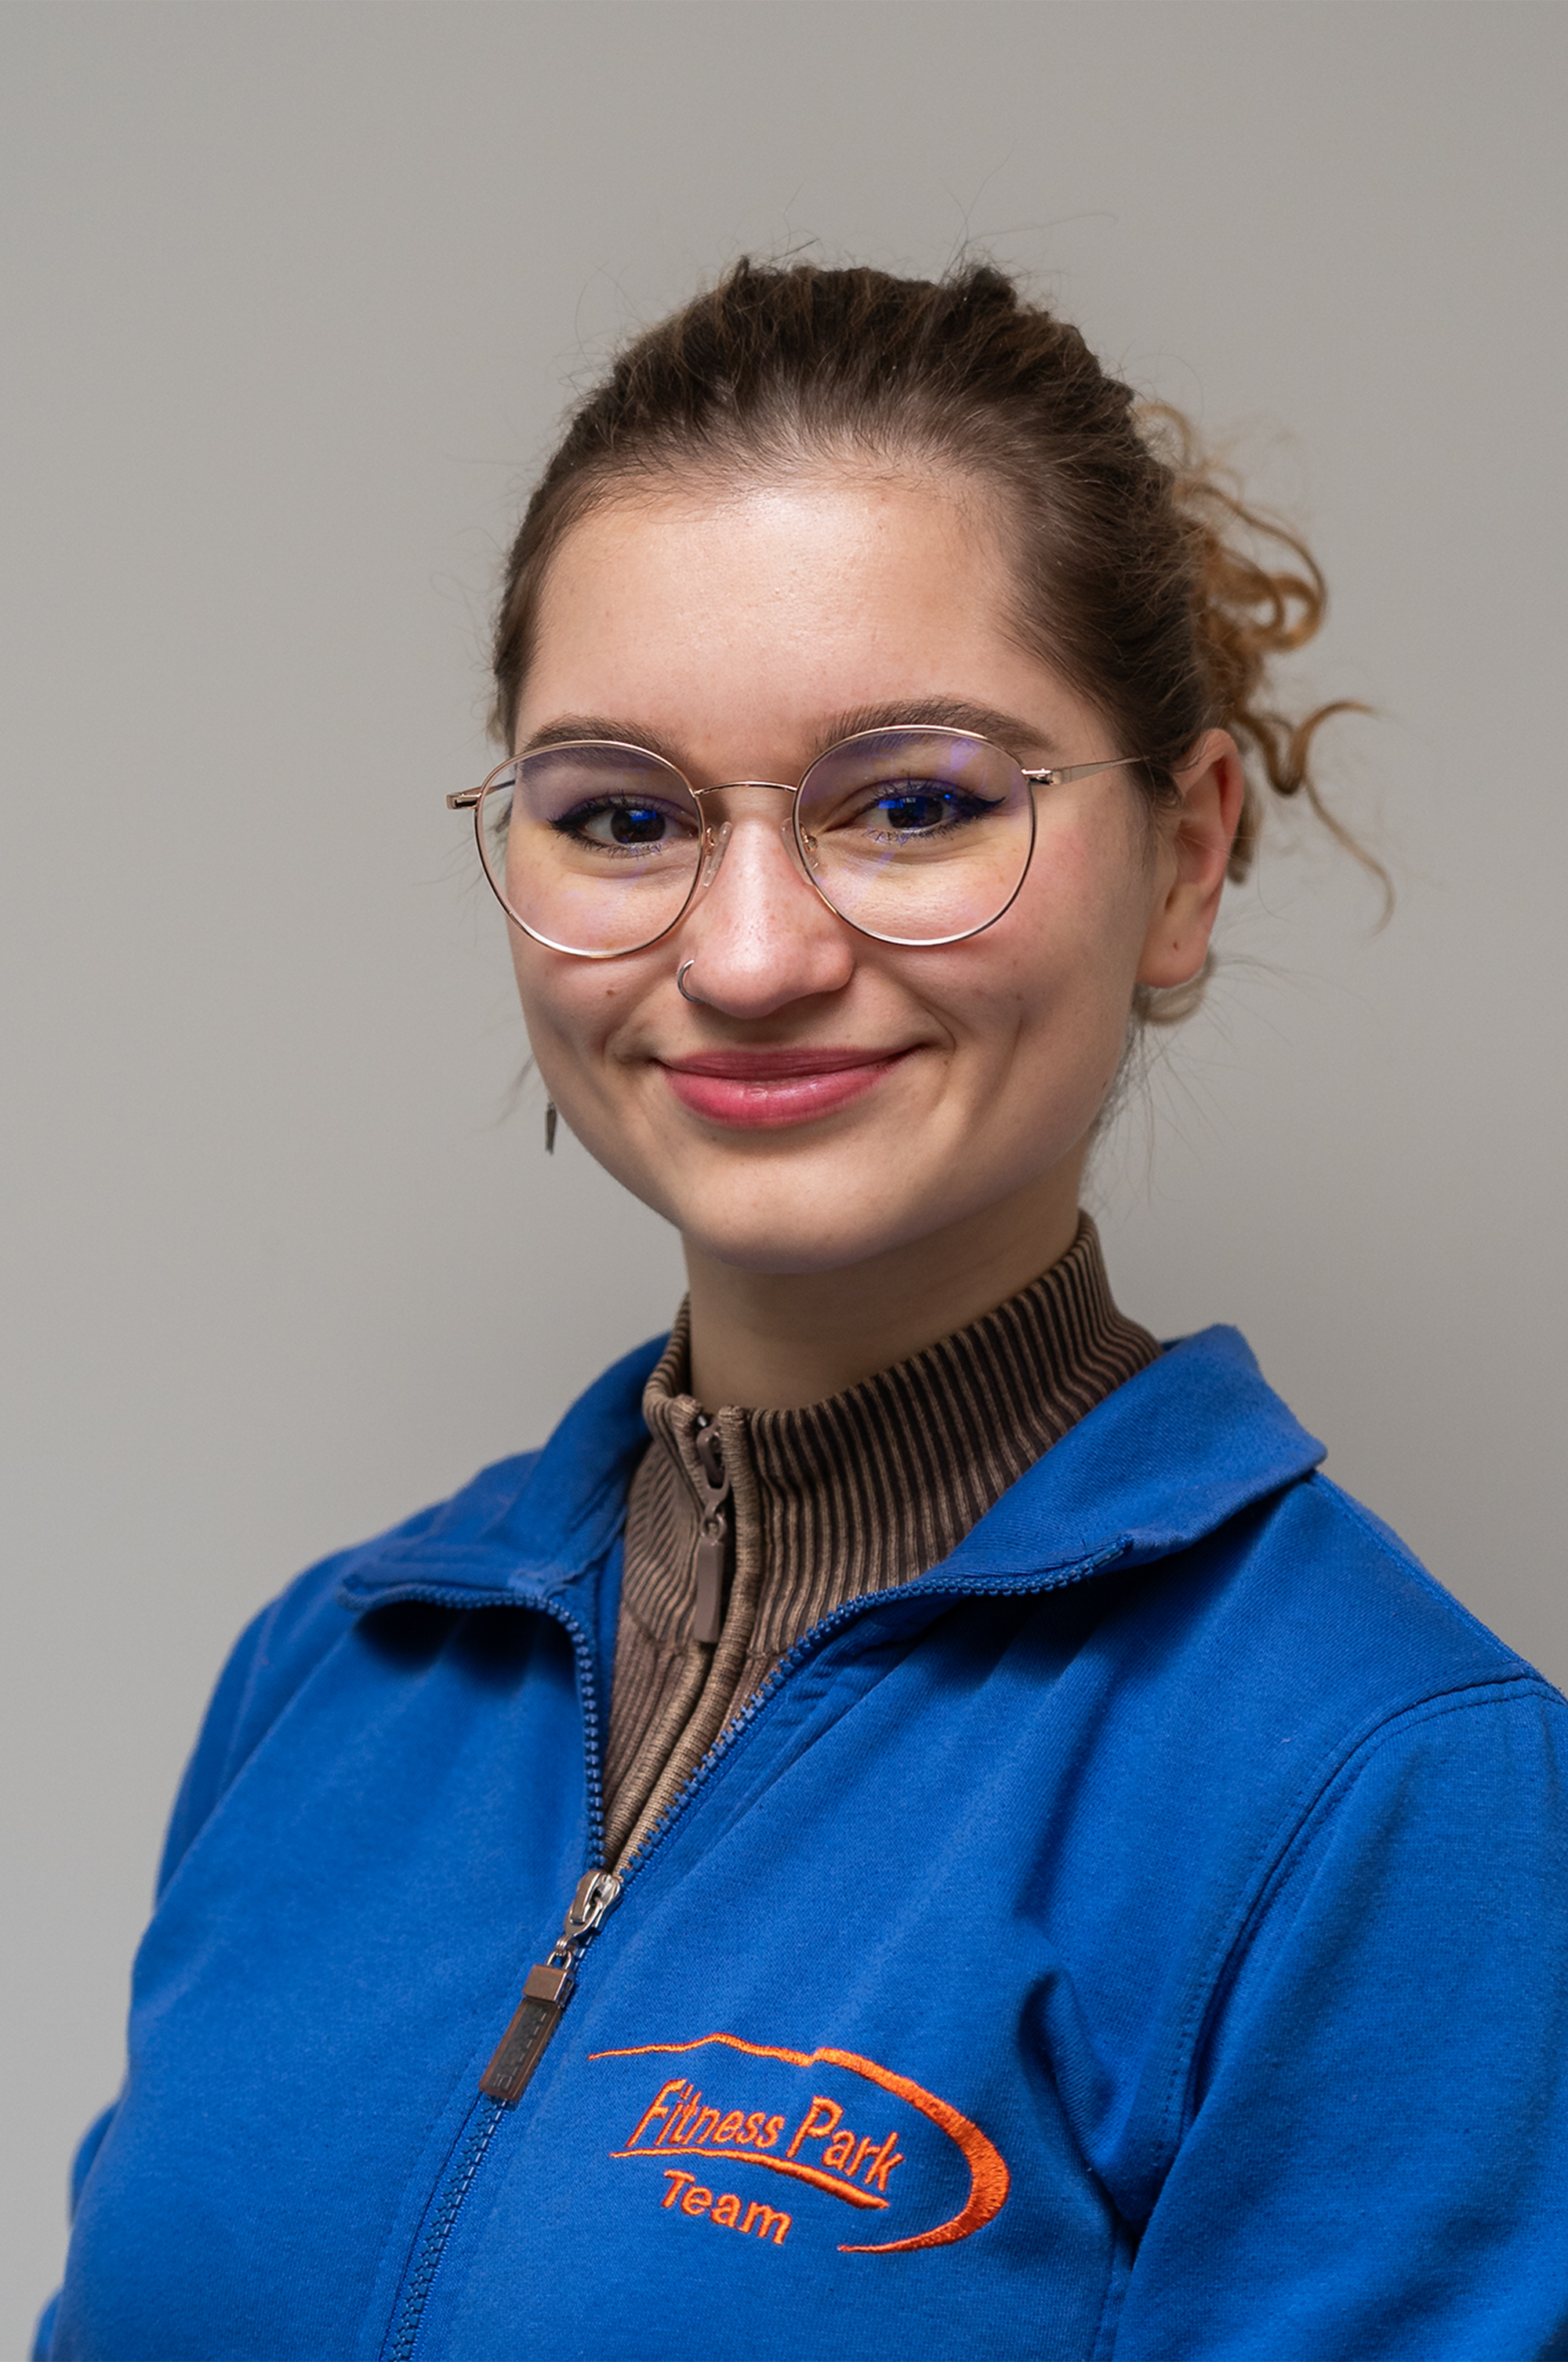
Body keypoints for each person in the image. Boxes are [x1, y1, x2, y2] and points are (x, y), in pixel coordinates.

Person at [38, 260, 1568, 2361]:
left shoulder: (1394, 1791)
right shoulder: (325, 1678)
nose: (749, 956)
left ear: (1188, 860)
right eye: (624, 819)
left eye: (915, 802)